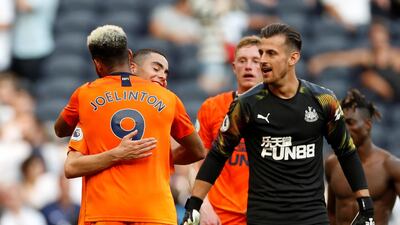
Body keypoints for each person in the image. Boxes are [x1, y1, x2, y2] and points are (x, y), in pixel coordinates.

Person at [181, 23, 375, 225]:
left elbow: (346, 152)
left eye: (271, 53)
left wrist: (366, 206)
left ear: (293, 58)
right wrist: (194, 204)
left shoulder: (323, 100)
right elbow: (217, 156)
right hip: (265, 218)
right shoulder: (246, 105)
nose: (263, 60)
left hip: (312, 217)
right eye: (262, 53)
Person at [61, 25, 206, 225]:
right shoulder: (168, 100)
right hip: (146, 213)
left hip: (113, 212)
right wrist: (119, 154)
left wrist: (161, 157)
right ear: (132, 65)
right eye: (156, 68)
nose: (163, 75)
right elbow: (71, 167)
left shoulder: (91, 99)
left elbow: (62, 135)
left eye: (166, 72)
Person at [195, 35, 263, 225]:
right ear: (234, 67)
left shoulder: (284, 111)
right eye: (242, 60)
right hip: (220, 215)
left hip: (266, 212)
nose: (248, 66)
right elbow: (197, 163)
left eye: (255, 61)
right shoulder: (212, 107)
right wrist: (203, 203)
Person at [325, 89, 400, 225]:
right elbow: (330, 213)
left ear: (368, 125)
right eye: (342, 123)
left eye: (351, 122)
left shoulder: (390, 165)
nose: (345, 129)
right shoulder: (332, 163)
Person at [308, 18, 400, 102]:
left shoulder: (395, 56)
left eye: (379, 33)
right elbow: (343, 58)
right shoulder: (367, 56)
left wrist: (382, 86)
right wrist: (321, 61)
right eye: (373, 34)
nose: (376, 37)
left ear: (386, 35)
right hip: (376, 101)